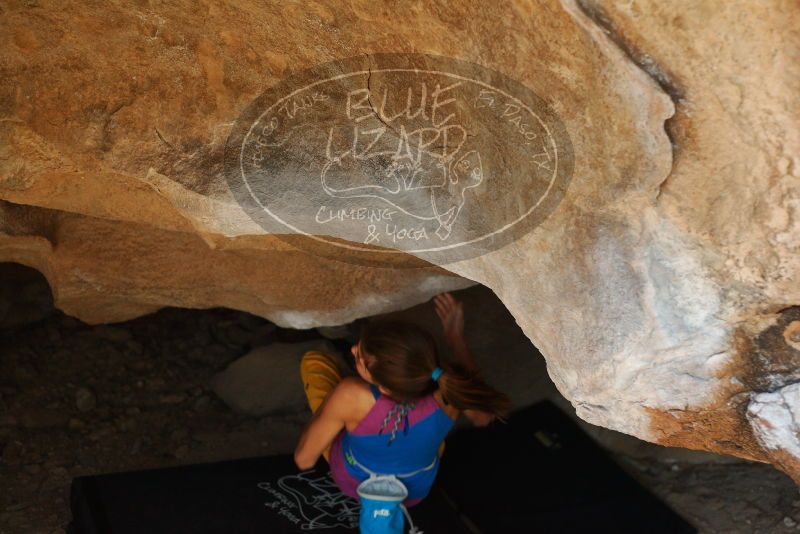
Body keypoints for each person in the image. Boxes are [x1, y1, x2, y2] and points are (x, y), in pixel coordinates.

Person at [293, 291, 512, 507]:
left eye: (360, 358)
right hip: (413, 491)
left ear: (384, 384)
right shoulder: (450, 389)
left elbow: (305, 459)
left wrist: (331, 408)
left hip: (355, 482)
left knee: (314, 362)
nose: (353, 349)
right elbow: (482, 418)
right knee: (428, 433)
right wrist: (456, 340)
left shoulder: (350, 395)